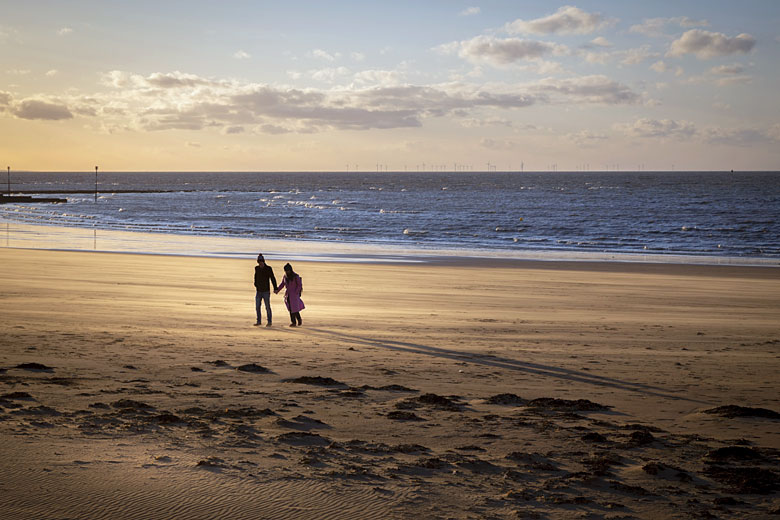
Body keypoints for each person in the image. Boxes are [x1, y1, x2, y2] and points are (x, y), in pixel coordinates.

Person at [275, 263, 304, 327]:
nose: (287, 272)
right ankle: (293, 322)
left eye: (288, 270)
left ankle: (299, 319)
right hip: (288, 295)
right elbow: (282, 284)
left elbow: (299, 285)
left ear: (291, 270)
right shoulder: (285, 276)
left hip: (294, 295)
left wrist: (296, 292)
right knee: (290, 309)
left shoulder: (296, 276)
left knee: (295, 309)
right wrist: (277, 290)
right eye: (286, 271)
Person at [253, 254, 277, 327]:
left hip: (266, 291)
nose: (260, 263)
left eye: (261, 262)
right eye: (259, 262)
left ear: (263, 261)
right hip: (259, 291)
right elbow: (255, 277)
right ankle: (259, 321)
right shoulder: (256, 268)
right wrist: (256, 284)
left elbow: (272, 278)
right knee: (257, 306)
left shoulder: (268, 268)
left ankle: (269, 321)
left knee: (267, 306)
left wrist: (275, 288)